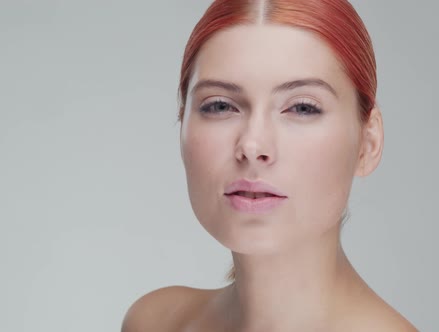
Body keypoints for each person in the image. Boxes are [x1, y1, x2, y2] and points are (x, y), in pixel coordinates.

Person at [122, 0, 417, 331]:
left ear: (368, 142)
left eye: (303, 108)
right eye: (220, 105)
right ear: (182, 123)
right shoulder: (156, 322)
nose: (252, 145)